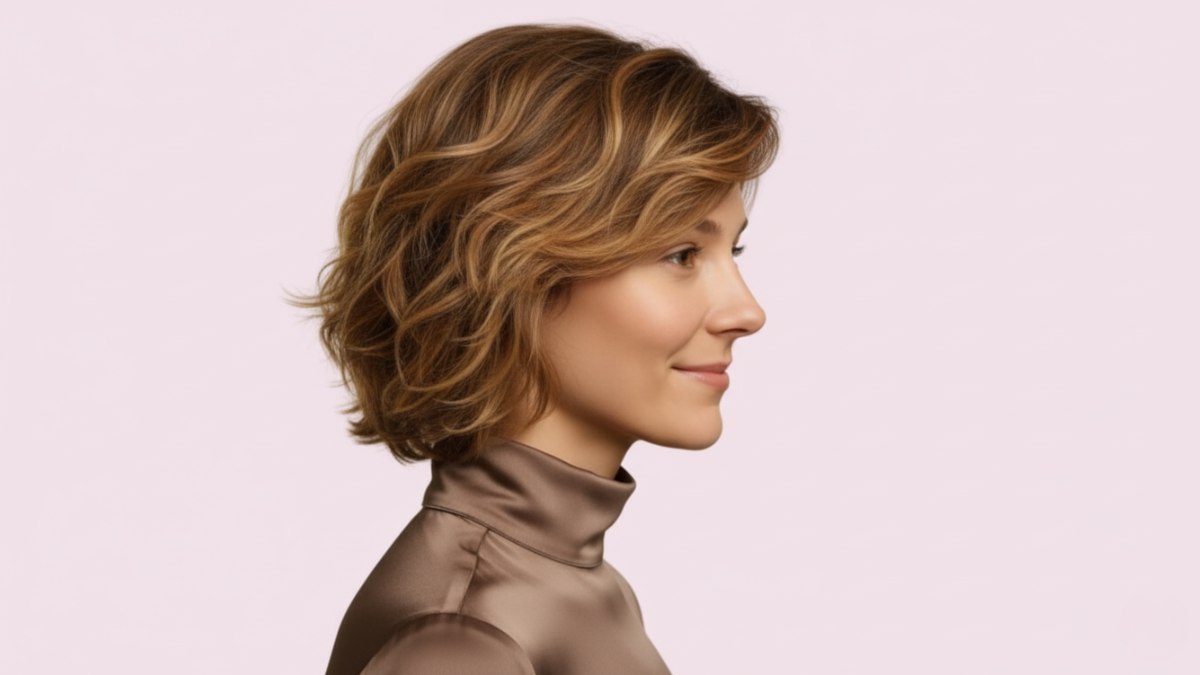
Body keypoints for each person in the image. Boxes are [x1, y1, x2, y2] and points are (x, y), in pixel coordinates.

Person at [292, 22, 779, 675]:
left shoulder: (563, 581)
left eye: (732, 249)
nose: (747, 312)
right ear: (513, 270)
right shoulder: (465, 637)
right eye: (682, 254)